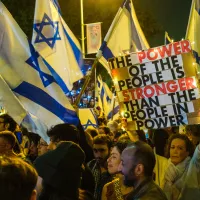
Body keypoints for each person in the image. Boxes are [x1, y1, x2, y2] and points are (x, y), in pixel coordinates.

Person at [162, 133, 200, 200]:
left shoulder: (192, 168)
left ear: (187, 152)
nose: (175, 151)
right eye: (172, 147)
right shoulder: (164, 166)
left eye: (180, 148)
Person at [87, 134, 112, 200]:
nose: (98, 155)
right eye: (95, 151)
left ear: (110, 150)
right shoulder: (90, 165)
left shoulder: (116, 169)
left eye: (102, 150)